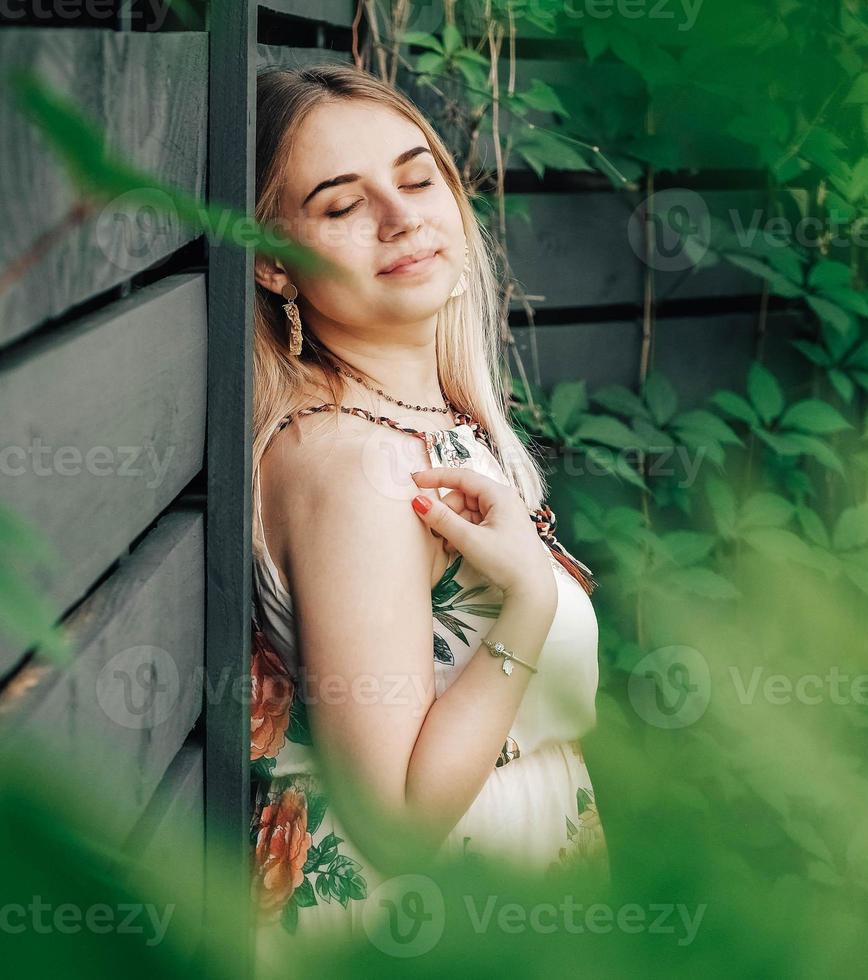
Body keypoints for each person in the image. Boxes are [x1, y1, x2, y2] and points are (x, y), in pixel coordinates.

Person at [247, 64, 609, 942]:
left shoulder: (421, 419)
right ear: (273, 267)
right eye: (340, 205)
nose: (401, 214)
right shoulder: (356, 468)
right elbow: (398, 822)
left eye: (416, 179)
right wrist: (526, 603)